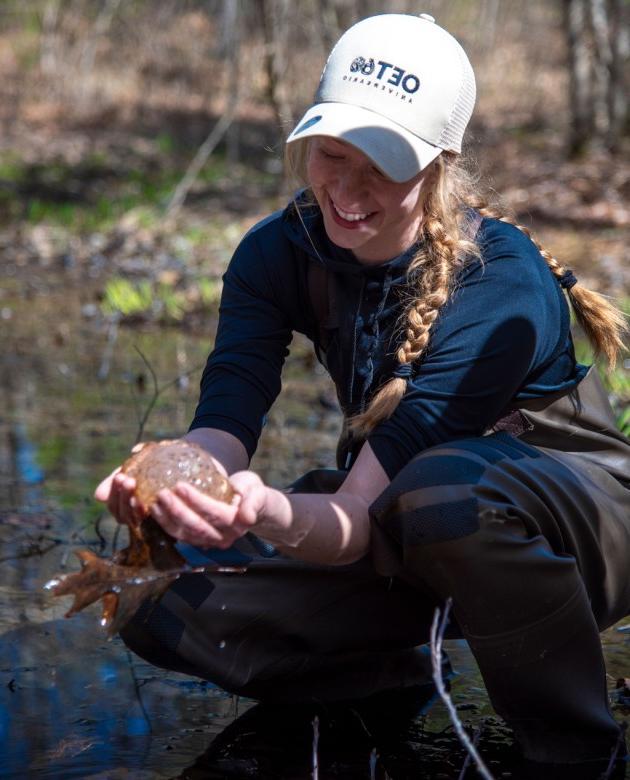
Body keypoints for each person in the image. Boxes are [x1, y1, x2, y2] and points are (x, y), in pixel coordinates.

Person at [96, 12, 630, 770]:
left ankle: (578, 751)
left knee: (443, 494)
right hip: (406, 519)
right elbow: (226, 416)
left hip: (579, 530)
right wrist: (171, 477)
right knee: (154, 598)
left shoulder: (501, 284)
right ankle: (388, 678)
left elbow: (355, 516)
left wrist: (271, 510)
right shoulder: (275, 253)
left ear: (440, 165)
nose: (347, 189)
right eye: (332, 154)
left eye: (383, 163)